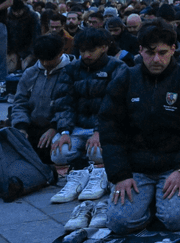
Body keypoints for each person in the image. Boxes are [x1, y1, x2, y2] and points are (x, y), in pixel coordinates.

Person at [98, 20, 180, 234]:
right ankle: (147, 203)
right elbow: (110, 129)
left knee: (176, 220)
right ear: (140, 50)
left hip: (175, 166)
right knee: (119, 222)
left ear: (173, 49)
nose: (156, 59)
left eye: (162, 52)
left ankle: (157, 202)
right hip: (135, 168)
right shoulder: (125, 79)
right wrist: (120, 175)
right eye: (150, 53)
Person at [49, 28, 126, 203]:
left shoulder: (118, 68)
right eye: (83, 51)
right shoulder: (71, 69)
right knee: (58, 154)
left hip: (105, 128)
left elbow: (115, 105)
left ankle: (97, 173)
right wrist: (64, 131)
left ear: (104, 47)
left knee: (98, 153)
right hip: (77, 127)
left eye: (91, 50)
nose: (86, 55)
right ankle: (82, 170)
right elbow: (64, 103)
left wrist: (100, 131)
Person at [12, 34, 71, 165]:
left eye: (49, 60)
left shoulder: (71, 72)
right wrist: (21, 127)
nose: (45, 64)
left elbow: (69, 107)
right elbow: (20, 102)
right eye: (42, 60)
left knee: (54, 154)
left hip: (58, 127)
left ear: (60, 53)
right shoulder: (30, 73)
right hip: (31, 125)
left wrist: (55, 128)